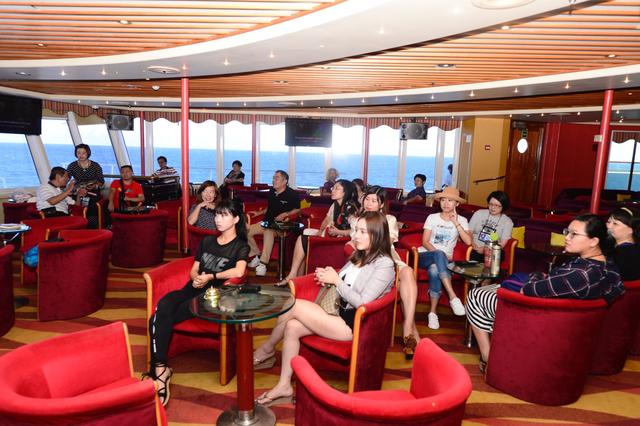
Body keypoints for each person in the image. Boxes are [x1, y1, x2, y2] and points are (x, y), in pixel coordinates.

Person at [253, 211, 395, 406]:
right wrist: (328, 276)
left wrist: (336, 281)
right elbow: (344, 280)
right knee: (292, 326)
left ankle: (267, 349)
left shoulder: (385, 264)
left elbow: (363, 302)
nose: (356, 236)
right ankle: (284, 385)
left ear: (377, 234)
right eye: (356, 230)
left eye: (363, 232)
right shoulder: (359, 254)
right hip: (338, 311)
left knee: (294, 305)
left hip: (353, 323)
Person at [466, 214, 624, 373]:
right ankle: (503, 348)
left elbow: (529, 289)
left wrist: (537, 276)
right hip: (560, 316)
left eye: (574, 234)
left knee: (475, 296)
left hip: (539, 317)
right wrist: (542, 278)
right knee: (493, 289)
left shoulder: (581, 275)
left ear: (593, 241)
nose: (567, 238)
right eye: (567, 232)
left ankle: (488, 358)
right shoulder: (608, 266)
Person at [145, 199, 249, 406]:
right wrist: (196, 278)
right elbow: (194, 268)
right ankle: (161, 370)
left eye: (224, 215)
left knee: (156, 320)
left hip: (211, 297)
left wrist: (210, 276)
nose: (218, 219)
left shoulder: (240, 246)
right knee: (162, 307)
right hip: (191, 288)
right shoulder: (207, 241)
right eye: (217, 215)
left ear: (236, 219)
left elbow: (239, 272)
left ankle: (158, 371)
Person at [356, 186, 421, 359]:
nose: (369, 203)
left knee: (407, 271)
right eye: (367, 199)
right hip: (368, 262)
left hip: (389, 258)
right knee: (404, 278)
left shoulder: (389, 219)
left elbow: (386, 243)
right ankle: (411, 332)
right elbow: (354, 245)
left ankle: (407, 327)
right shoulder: (358, 220)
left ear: (381, 204)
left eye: (374, 201)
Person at [276, 179, 359, 286]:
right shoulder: (335, 204)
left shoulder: (350, 208)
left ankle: (293, 276)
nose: (333, 190)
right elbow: (327, 219)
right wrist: (320, 231)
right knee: (304, 237)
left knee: (302, 240)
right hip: (332, 236)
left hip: (339, 242)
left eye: (337, 188)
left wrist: (338, 231)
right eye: (333, 188)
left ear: (345, 192)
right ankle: (297, 279)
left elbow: (355, 231)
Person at [418, 187, 471, 330]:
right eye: (443, 200)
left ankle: (432, 313)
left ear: (457, 204)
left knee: (434, 270)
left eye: (450, 200)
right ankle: (453, 296)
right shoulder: (432, 217)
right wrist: (439, 254)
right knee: (439, 255)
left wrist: (456, 222)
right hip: (425, 255)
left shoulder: (462, 220)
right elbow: (425, 242)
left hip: (442, 263)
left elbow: (468, 242)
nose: (446, 203)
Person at [247, 170, 301, 276]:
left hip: (281, 226)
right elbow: (270, 207)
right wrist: (259, 213)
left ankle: (263, 264)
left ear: (285, 181)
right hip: (266, 222)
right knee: (246, 230)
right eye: (273, 178)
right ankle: (256, 255)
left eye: (277, 178)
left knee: (268, 231)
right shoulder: (272, 191)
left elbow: (298, 209)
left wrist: (286, 214)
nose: (273, 180)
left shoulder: (292, 194)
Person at [468, 191, 514, 262]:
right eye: (491, 204)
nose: (493, 208)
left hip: (491, 251)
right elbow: (469, 231)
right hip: (473, 248)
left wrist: (486, 249)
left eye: (497, 205)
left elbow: (502, 243)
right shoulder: (479, 213)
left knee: (499, 254)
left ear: (503, 206)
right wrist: (472, 243)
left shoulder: (507, 222)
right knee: (473, 254)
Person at [66, 143, 104, 228]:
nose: (81, 155)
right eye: (78, 153)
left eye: (83, 153)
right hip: (77, 191)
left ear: (88, 153)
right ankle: (77, 225)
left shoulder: (95, 166)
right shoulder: (72, 166)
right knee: (72, 204)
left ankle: (91, 226)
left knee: (91, 205)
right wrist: (69, 186)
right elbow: (66, 178)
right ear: (76, 153)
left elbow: (101, 181)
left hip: (92, 191)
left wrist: (94, 186)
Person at [607, 207, 640, 281]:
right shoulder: (614, 245)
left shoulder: (626, 253)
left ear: (630, 230)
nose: (609, 226)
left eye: (615, 224)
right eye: (608, 222)